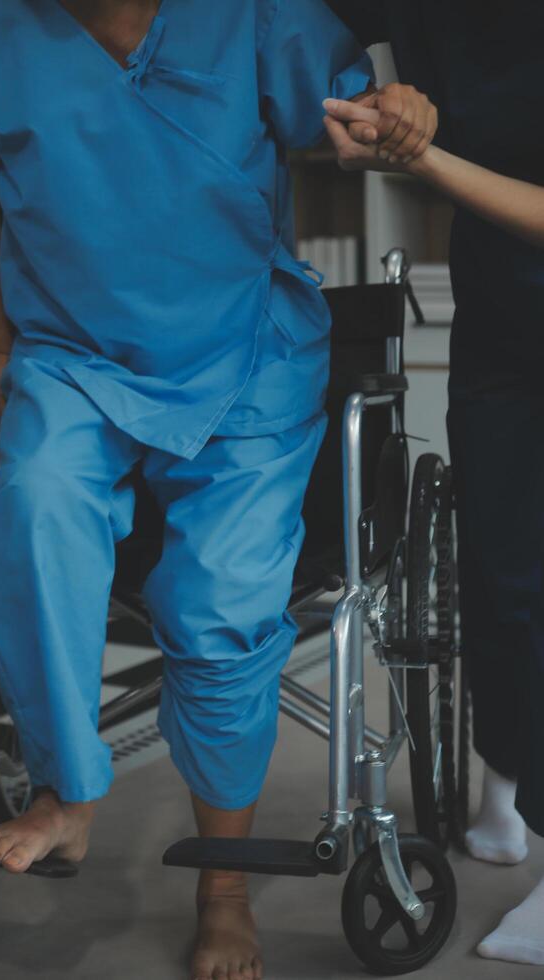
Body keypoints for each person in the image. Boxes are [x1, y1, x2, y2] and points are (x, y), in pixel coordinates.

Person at [0, 2, 435, 977]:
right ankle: (69, 794)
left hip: (244, 352)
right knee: (32, 513)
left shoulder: (251, 14)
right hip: (70, 356)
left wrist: (395, 117)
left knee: (222, 606)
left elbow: (355, 122)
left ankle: (221, 882)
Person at [324, 86, 544, 968]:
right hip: (501, 315)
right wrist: (373, 111)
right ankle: (506, 777)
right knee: (496, 569)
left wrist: (418, 154)